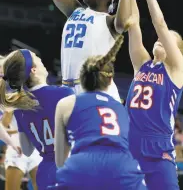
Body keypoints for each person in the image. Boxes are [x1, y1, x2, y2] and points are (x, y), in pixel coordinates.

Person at [49, 35, 147, 190]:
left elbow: (60, 161)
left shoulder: (66, 103)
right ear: (110, 80)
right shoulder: (121, 108)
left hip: (82, 164)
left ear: (81, 78)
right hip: (122, 167)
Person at [122, 0, 183, 189]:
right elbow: (132, 24)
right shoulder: (142, 64)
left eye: (168, 40)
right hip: (129, 147)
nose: (160, 39)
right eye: (159, 39)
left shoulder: (177, 70)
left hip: (159, 152)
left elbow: (160, 23)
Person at [48, 0, 130, 101]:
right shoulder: (75, 10)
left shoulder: (110, 21)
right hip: (68, 88)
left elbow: (124, 20)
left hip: (96, 90)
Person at [0, 49, 74, 190]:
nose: (40, 59)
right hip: (69, 167)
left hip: (45, 172)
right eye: (36, 57)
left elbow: (27, 150)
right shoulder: (64, 93)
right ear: (33, 69)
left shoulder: (19, 107)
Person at [2, 111, 42, 190]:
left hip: (36, 150)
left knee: (41, 186)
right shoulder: (9, 102)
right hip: (17, 150)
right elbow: (2, 127)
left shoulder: (38, 101)